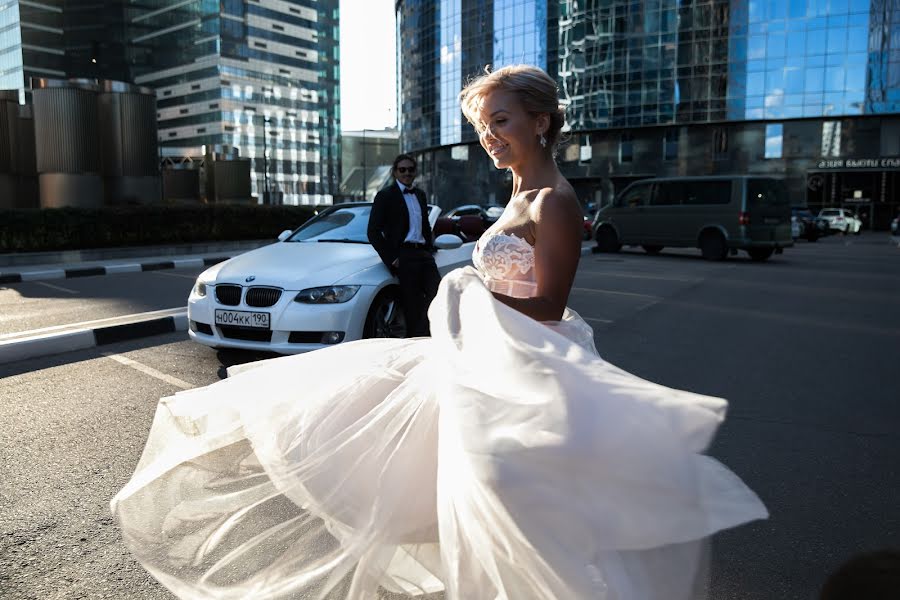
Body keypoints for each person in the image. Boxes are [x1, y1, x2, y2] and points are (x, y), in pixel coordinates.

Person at [111, 65, 767, 600]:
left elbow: (551, 304)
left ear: (541, 121)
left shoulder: (554, 202)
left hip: (531, 370)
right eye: (484, 127)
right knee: (447, 491)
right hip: (489, 361)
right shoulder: (517, 195)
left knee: (515, 514)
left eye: (501, 121)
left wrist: (464, 295)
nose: (490, 136)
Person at [368, 154, 441, 337]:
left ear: (415, 172)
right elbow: (373, 232)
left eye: (410, 169)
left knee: (439, 296)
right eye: (402, 170)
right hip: (404, 256)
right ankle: (417, 344)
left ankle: (432, 336)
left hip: (424, 254)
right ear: (395, 172)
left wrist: (430, 248)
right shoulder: (385, 196)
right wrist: (392, 258)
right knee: (412, 305)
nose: (407, 173)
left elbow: (424, 225)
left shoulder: (420, 195)